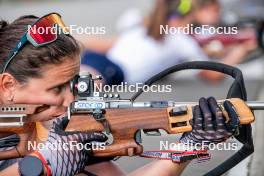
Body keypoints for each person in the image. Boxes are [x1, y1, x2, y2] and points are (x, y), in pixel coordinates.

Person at [0, 13, 244, 176]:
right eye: (56, 88)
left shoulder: (51, 127)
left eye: (74, 82)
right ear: (8, 86)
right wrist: (40, 165)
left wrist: (189, 146)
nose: (72, 99)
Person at [79, 0, 256, 84]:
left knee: (65, 94)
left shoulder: (145, 27)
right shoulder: (181, 40)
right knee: (78, 95)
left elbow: (106, 45)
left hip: (98, 62)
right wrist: (240, 50)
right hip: (112, 72)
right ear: (186, 17)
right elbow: (213, 76)